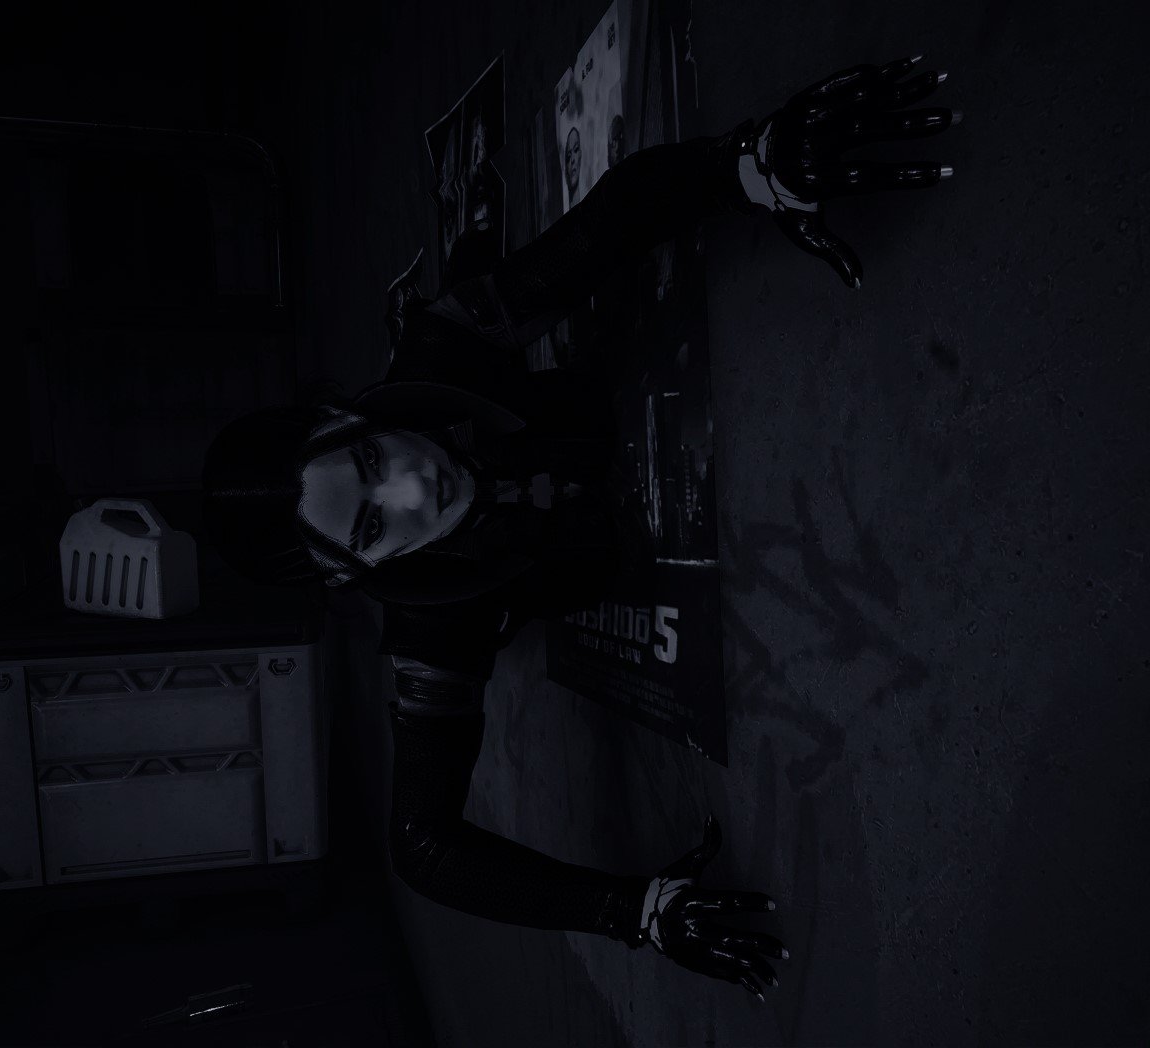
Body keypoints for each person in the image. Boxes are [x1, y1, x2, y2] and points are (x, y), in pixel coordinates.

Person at [203, 57, 958, 999]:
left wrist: (745, 166)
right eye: (370, 527)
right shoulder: (431, 639)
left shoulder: (440, 347)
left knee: (501, 297)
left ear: (343, 416)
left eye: (368, 460)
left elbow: (598, 231)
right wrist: (629, 911)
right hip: (568, 566)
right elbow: (422, 849)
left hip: (562, 412)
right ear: (348, 576)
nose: (413, 487)